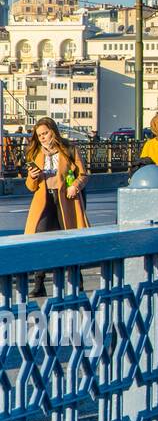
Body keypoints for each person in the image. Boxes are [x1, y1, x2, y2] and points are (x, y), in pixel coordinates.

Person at [23, 118, 90, 295]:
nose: (43, 138)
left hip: (66, 200)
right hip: (44, 201)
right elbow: (30, 187)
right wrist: (32, 176)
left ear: (53, 130)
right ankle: (39, 284)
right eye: (39, 135)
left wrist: (74, 186)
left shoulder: (69, 149)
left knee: (69, 238)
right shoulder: (35, 153)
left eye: (45, 133)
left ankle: (77, 280)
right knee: (40, 240)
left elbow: (83, 174)